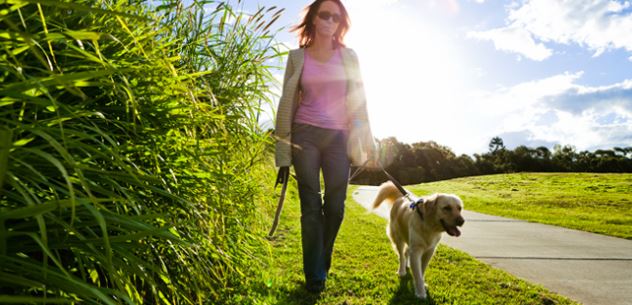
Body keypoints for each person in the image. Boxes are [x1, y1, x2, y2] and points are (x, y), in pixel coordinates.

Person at [274, 0, 377, 293]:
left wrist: (366, 138)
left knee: (335, 206)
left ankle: (322, 256)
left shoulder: (349, 57)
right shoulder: (297, 57)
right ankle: (315, 276)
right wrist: (283, 153)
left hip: (338, 138)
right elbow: (286, 103)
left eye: (336, 16)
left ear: (340, 23)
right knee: (310, 205)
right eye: (325, 15)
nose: (331, 20)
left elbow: (360, 98)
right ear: (315, 19)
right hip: (304, 134)